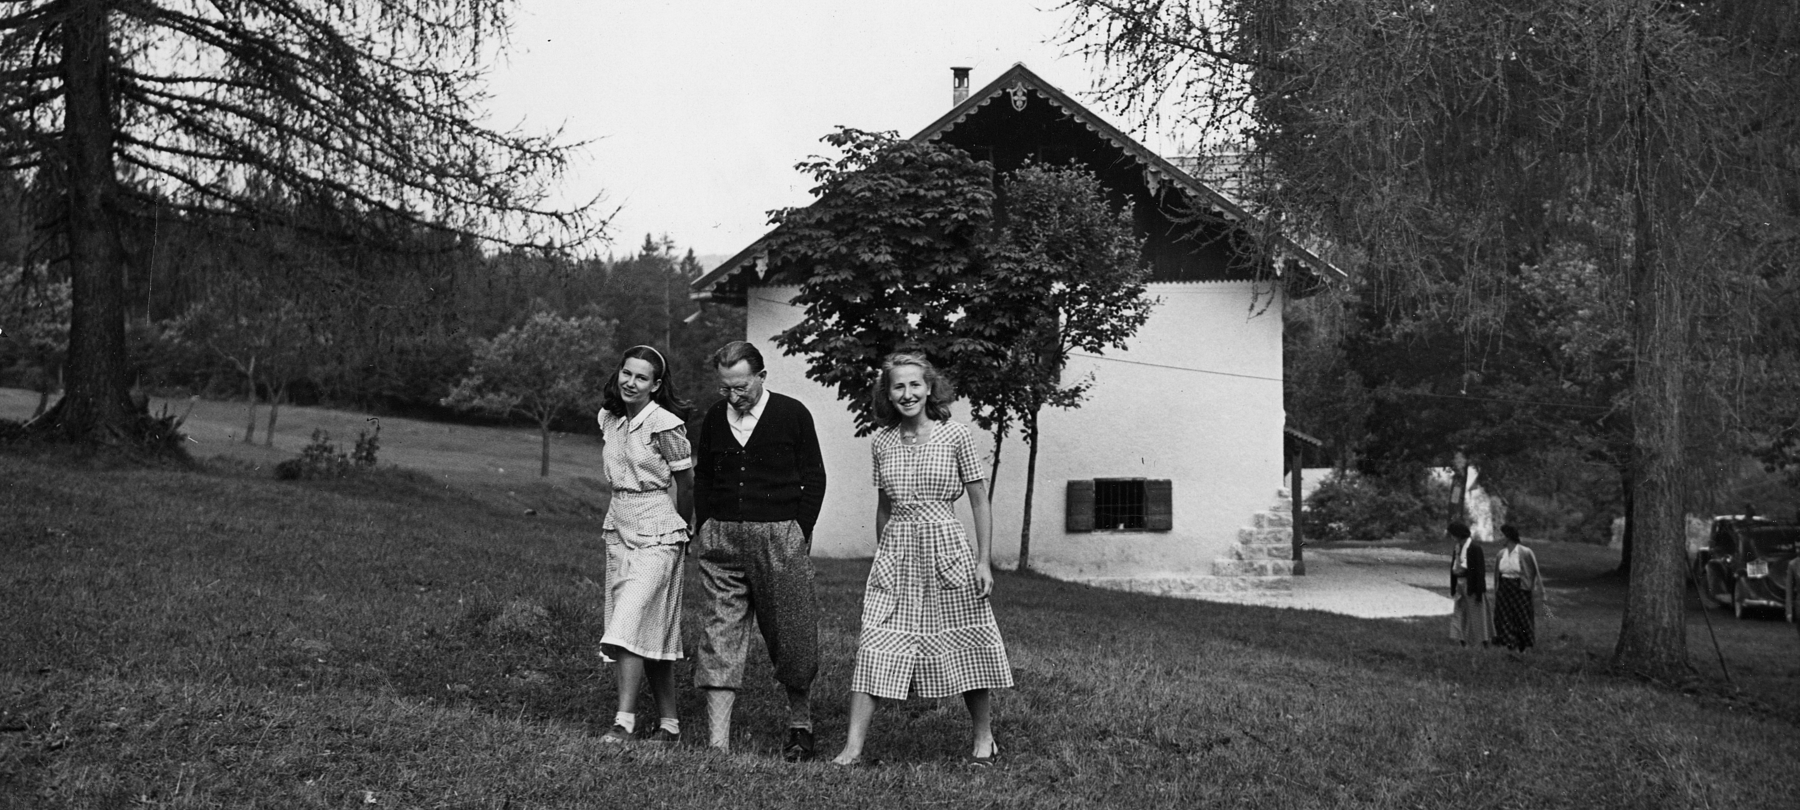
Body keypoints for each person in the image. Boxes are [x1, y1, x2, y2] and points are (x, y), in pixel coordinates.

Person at [832, 351, 1012, 767]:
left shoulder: (956, 435)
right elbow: (884, 507)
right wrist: (883, 559)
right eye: (898, 386)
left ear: (929, 388)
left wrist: (983, 561)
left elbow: (979, 501)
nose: (907, 393)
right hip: (897, 554)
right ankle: (852, 749)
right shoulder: (881, 442)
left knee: (967, 643)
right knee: (875, 641)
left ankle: (984, 738)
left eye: (915, 384)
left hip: (947, 549)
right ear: (888, 393)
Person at [690, 341, 827, 760]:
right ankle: (718, 744)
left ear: (762, 377)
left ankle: (800, 726)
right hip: (722, 539)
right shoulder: (715, 418)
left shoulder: (792, 414)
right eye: (725, 388)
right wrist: (706, 524)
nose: (733, 397)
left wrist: (799, 531)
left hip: (780, 538)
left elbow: (814, 477)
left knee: (792, 635)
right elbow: (704, 476)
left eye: (742, 387)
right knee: (719, 633)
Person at [595, 345, 694, 744]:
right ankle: (670, 724)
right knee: (649, 628)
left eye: (641, 377)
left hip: (659, 533)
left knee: (628, 620)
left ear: (655, 385)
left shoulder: (665, 424)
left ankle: (624, 723)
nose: (631, 383)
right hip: (619, 528)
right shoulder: (609, 418)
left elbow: (686, 483)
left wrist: (683, 529)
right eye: (627, 373)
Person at [1491, 524, 1542, 652]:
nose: (1499, 538)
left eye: (1501, 535)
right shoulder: (1501, 554)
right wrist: (1497, 589)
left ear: (1508, 537)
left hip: (1520, 588)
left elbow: (1534, 571)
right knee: (1504, 616)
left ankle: (1522, 646)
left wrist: (1537, 589)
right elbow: (1497, 574)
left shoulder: (1525, 552)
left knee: (1521, 617)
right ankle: (1509, 643)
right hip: (1504, 588)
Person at [1447, 521, 1489, 647]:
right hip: (1460, 583)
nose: (1451, 537)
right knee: (1460, 612)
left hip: (1472, 584)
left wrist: (1479, 591)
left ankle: (1483, 641)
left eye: (1453, 534)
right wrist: (1453, 587)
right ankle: (1462, 640)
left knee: (1477, 614)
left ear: (1459, 534)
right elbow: (1454, 568)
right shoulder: (1457, 548)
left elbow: (1480, 571)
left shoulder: (1474, 548)